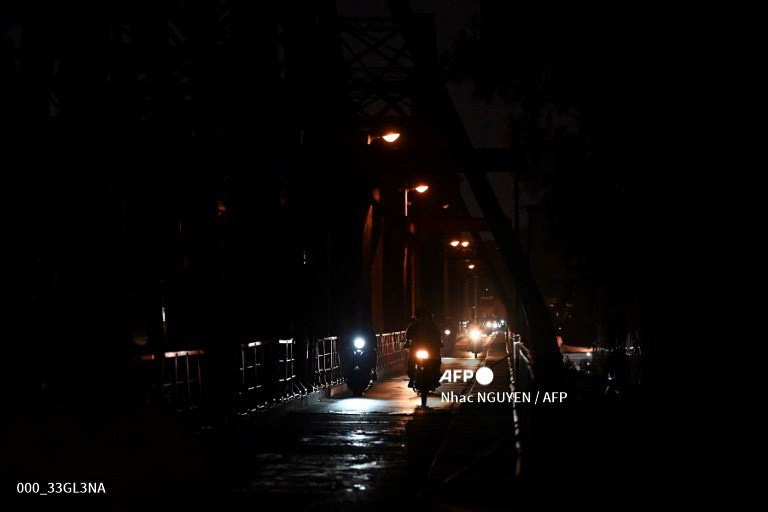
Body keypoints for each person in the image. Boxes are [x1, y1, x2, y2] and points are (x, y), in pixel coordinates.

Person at [404, 307, 443, 388]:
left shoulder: (433, 326)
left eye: (424, 316)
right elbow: (408, 336)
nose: (423, 318)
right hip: (416, 348)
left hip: (430, 349)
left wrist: (439, 343)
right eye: (421, 316)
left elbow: (438, 336)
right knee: (411, 361)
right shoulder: (413, 326)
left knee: (436, 360)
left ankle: (435, 377)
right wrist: (407, 343)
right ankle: (412, 377)